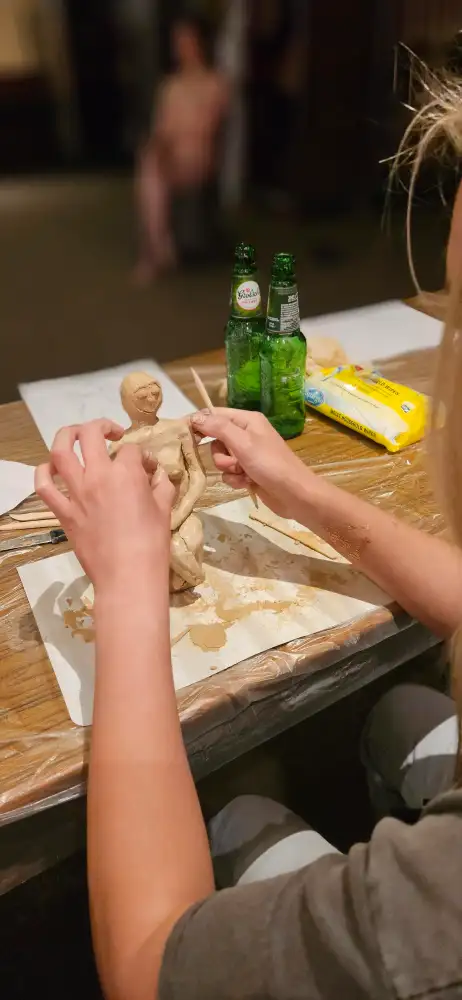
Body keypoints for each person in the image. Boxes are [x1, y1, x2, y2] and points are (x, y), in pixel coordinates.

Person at [36, 82, 462, 1000]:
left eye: (454, 315)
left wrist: (129, 580)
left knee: (239, 813)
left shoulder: (440, 921)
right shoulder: (149, 432)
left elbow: (147, 967)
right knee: (400, 709)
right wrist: (306, 494)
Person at [134, 13, 229, 282]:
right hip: (171, 152)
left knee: (154, 170)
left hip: (199, 154)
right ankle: (158, 250)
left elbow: (208, 128)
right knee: (150, 164)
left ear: (200, 43)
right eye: (178, 42)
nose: (182, 47)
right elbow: (161, 129)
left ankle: (156, 252)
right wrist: (161, 148)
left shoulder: (215, 83)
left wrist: (177, 146)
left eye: (187, 40)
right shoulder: (170, 86)